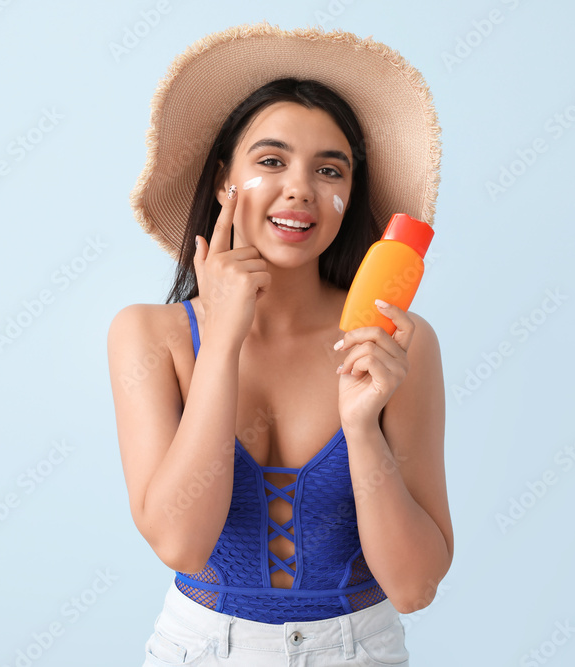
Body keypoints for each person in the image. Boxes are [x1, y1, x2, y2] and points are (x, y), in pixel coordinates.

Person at [109, 21, 452, 666]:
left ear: (350, 198)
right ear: (222, 182)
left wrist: (362, 427)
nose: (300, 188)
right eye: (271, 161)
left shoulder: (396, 343)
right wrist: (224, 340)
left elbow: (413, 586)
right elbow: (183, 543)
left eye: (329, 169)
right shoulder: (148, 335)